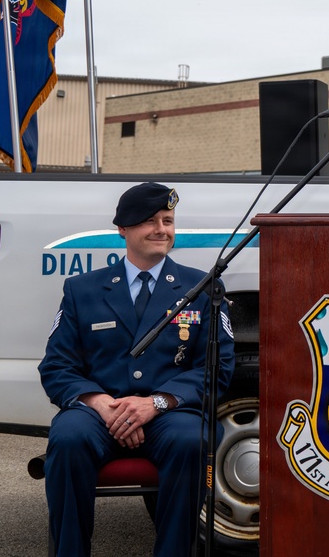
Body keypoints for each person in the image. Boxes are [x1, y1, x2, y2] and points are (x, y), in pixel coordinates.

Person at [39, 182, 236, 557]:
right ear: (123, 230)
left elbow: (218, 367)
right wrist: (99, 403)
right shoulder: (83, 290)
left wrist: (155, 404)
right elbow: (57, 365)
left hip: (168, 413)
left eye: (168, 220)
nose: (162, 229)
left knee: (192, 440)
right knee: (67, 439)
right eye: (149, 221)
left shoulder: (201, 287)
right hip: (100, 414)